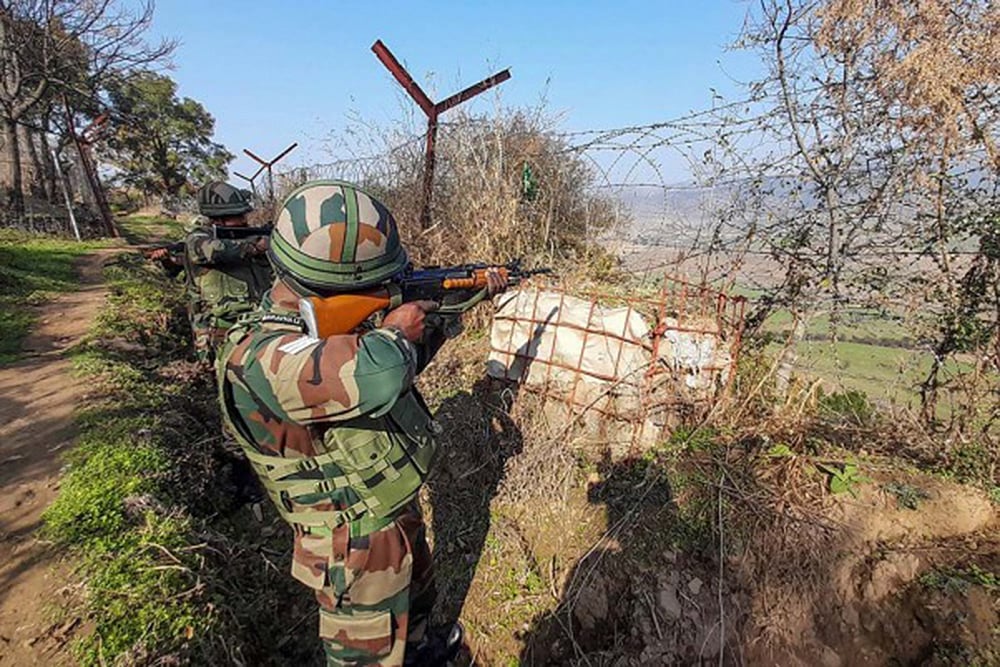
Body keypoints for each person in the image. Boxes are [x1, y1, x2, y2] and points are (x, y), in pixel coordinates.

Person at [215, 180, 506, 666]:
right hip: (349, 540)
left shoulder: (329, 335)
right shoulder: (261, 355)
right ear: (338, 286)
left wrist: (457, 299)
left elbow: (406, 359)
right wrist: (395, 333)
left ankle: (418, 651)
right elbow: (377, 372)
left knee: (414, 606)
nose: (387, 292)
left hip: (387, 502)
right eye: (378, 286)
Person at [184, 181, 273, 364]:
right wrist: (255, 247)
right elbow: (212, 250)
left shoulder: (245, 236)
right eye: (237, 216)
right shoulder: (198, 239)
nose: (243, 220)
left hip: (255, 320)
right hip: (217, 326)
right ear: (218, 219)